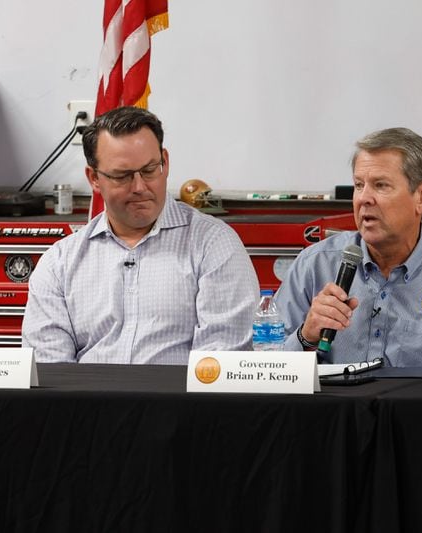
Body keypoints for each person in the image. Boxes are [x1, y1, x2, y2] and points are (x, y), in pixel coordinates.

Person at [22, 106, 259, 364]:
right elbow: (49, 371)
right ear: (94, 178)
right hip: (88, 404)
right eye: (122, 176)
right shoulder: (60, 262)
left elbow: (219, 364)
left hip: (180, 405)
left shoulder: (214, 245)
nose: (139, 187)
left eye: (149, 170)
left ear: (165, 162)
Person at [275, 127, 422, 367]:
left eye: (380, 185)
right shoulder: (314, 266)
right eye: (358, 185)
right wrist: (306, 336)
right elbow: (266, 371)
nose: (364, 198)